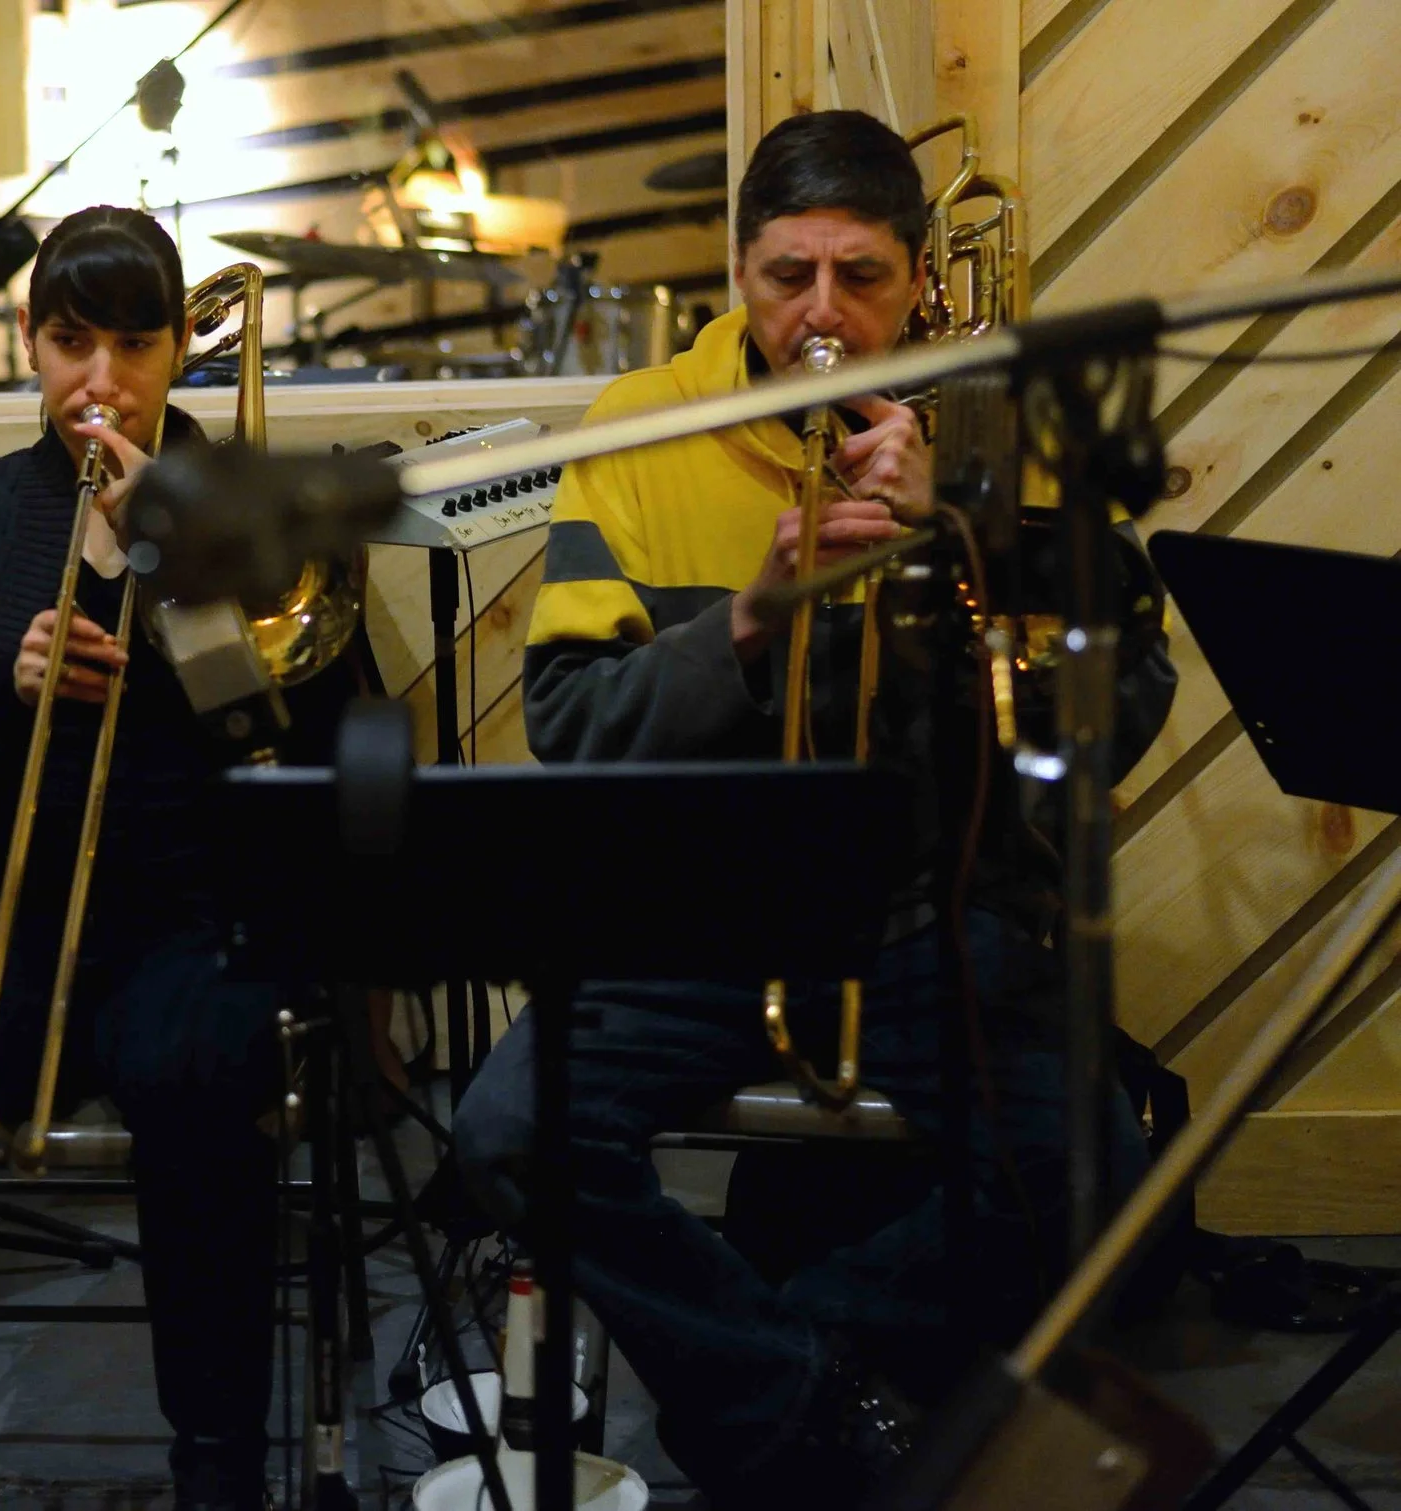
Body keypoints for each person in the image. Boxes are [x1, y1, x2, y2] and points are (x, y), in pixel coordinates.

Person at [449, 110, 1177, 1507]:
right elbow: (571, 723)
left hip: (932, 902)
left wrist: (961, 543)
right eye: (790, 276)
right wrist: (747, 624)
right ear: (739, 271)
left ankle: (792, 1377)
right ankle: (813, 1396)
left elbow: (1118, 717)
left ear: (920, 283)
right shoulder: (645, 426)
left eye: (862, 277)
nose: (824, 315)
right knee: (505, 1132)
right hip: (699, 906)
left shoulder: (1014, 426)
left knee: (1103, 1175)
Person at [0, 206, 352, 1510]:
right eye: (72, 343)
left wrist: (181, 587)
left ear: (180, 348)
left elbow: (319, 739)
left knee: (201, 1081)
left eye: (135, 345)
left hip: (194, 913)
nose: (102, 381)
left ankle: (218, 1462)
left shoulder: (268, 510)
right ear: (29, 340)